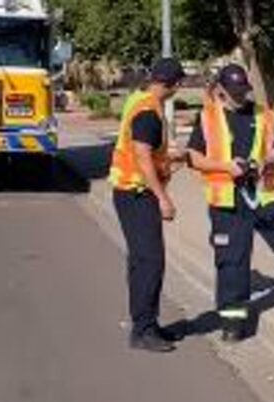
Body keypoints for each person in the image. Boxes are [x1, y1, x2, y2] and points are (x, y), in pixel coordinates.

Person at [187, 63, 274, 342]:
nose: (240, 96)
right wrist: (226, 166)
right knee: (232, 260)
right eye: (234, 92)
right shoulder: (207, 117)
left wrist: (265, 160)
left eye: (244, 90)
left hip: (265, 193)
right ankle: (233, 322)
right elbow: (193, 157)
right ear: (221, 91)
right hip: (228, 200)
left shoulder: (263, 115)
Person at [107, 58, 186, 352]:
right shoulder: (149, 113)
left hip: (129, 192)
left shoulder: (138, 100)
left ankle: (147, 324)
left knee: (142, 261)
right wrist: (163, 198)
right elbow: (141, 155)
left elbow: (145, 151)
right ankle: (143, 330)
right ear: (176, 84)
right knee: (150, 262)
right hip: (137, 194)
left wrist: (169, 159)